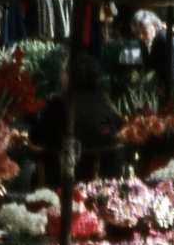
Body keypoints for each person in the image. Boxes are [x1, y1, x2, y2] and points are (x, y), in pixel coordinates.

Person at [28, 54, 124, 186]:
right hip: (101, 184)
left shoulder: (60, 105)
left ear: (69, 76)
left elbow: (35, 142)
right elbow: (108, 134)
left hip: (62, 185)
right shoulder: (104, 104)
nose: (60, 76)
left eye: (62, 71)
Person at [133, 10, 174, 106]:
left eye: (144, 32)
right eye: (137, 33)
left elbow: (173, 74)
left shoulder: (167, 41)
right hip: (164, 84)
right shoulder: (144, 41)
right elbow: (148, 67)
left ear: (155, 26)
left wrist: (172, 99)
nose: (141, 37)